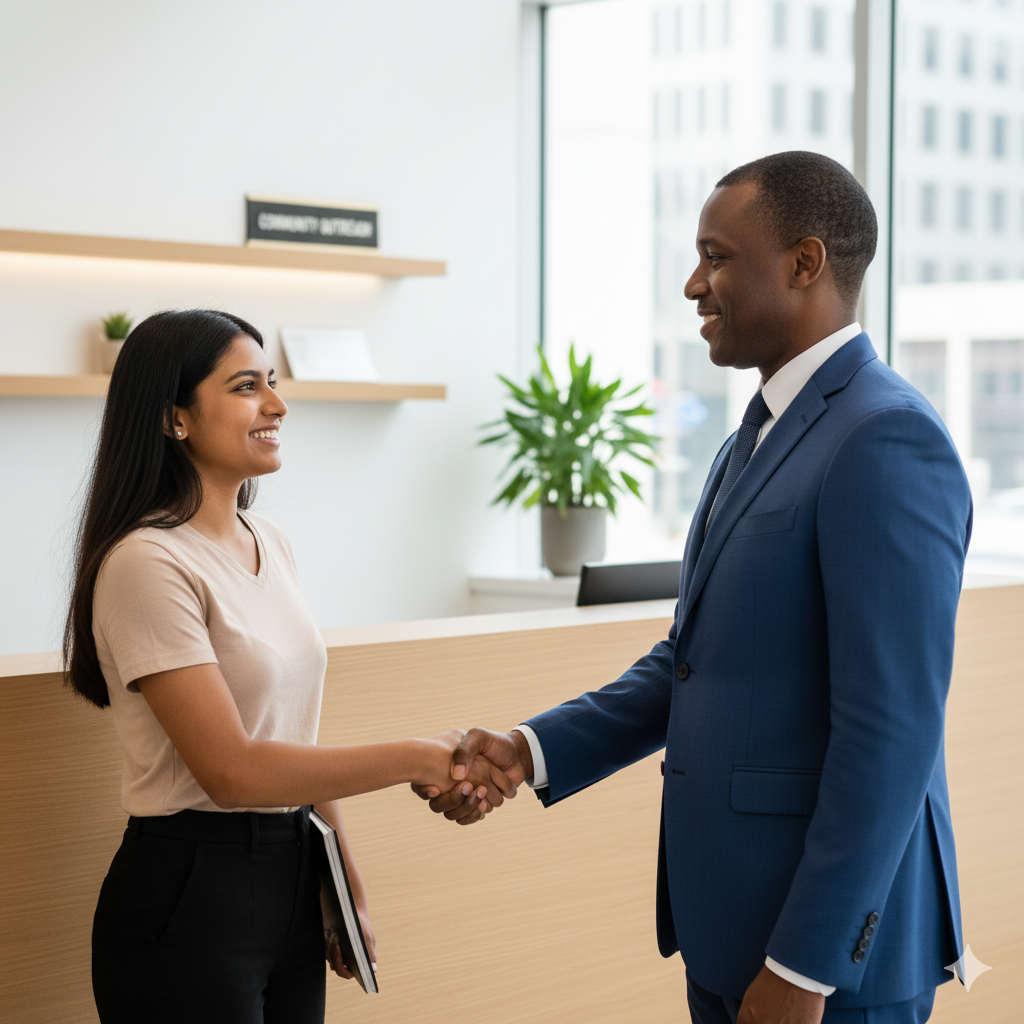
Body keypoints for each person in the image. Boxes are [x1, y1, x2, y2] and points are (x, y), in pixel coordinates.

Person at [418, 152, 972, 1024]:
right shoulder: (750, 436)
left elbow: (893, 730)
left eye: (717, 257)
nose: (692, 284)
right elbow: (692, 660)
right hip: (728, 931)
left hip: (823, 969)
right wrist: (529, 750)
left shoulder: (886, 437)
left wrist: (805, 966)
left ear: (804, 262)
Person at [64, 309, 514, 1024]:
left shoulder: (269, 539)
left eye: (271, 381)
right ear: (174, 418)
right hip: (191, 891)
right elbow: (232, 771)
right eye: (247, 386)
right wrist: (420, 756)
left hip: (294, 873)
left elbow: (293, 740)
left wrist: (347, 886)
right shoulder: (146, 562)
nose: (276, 404)